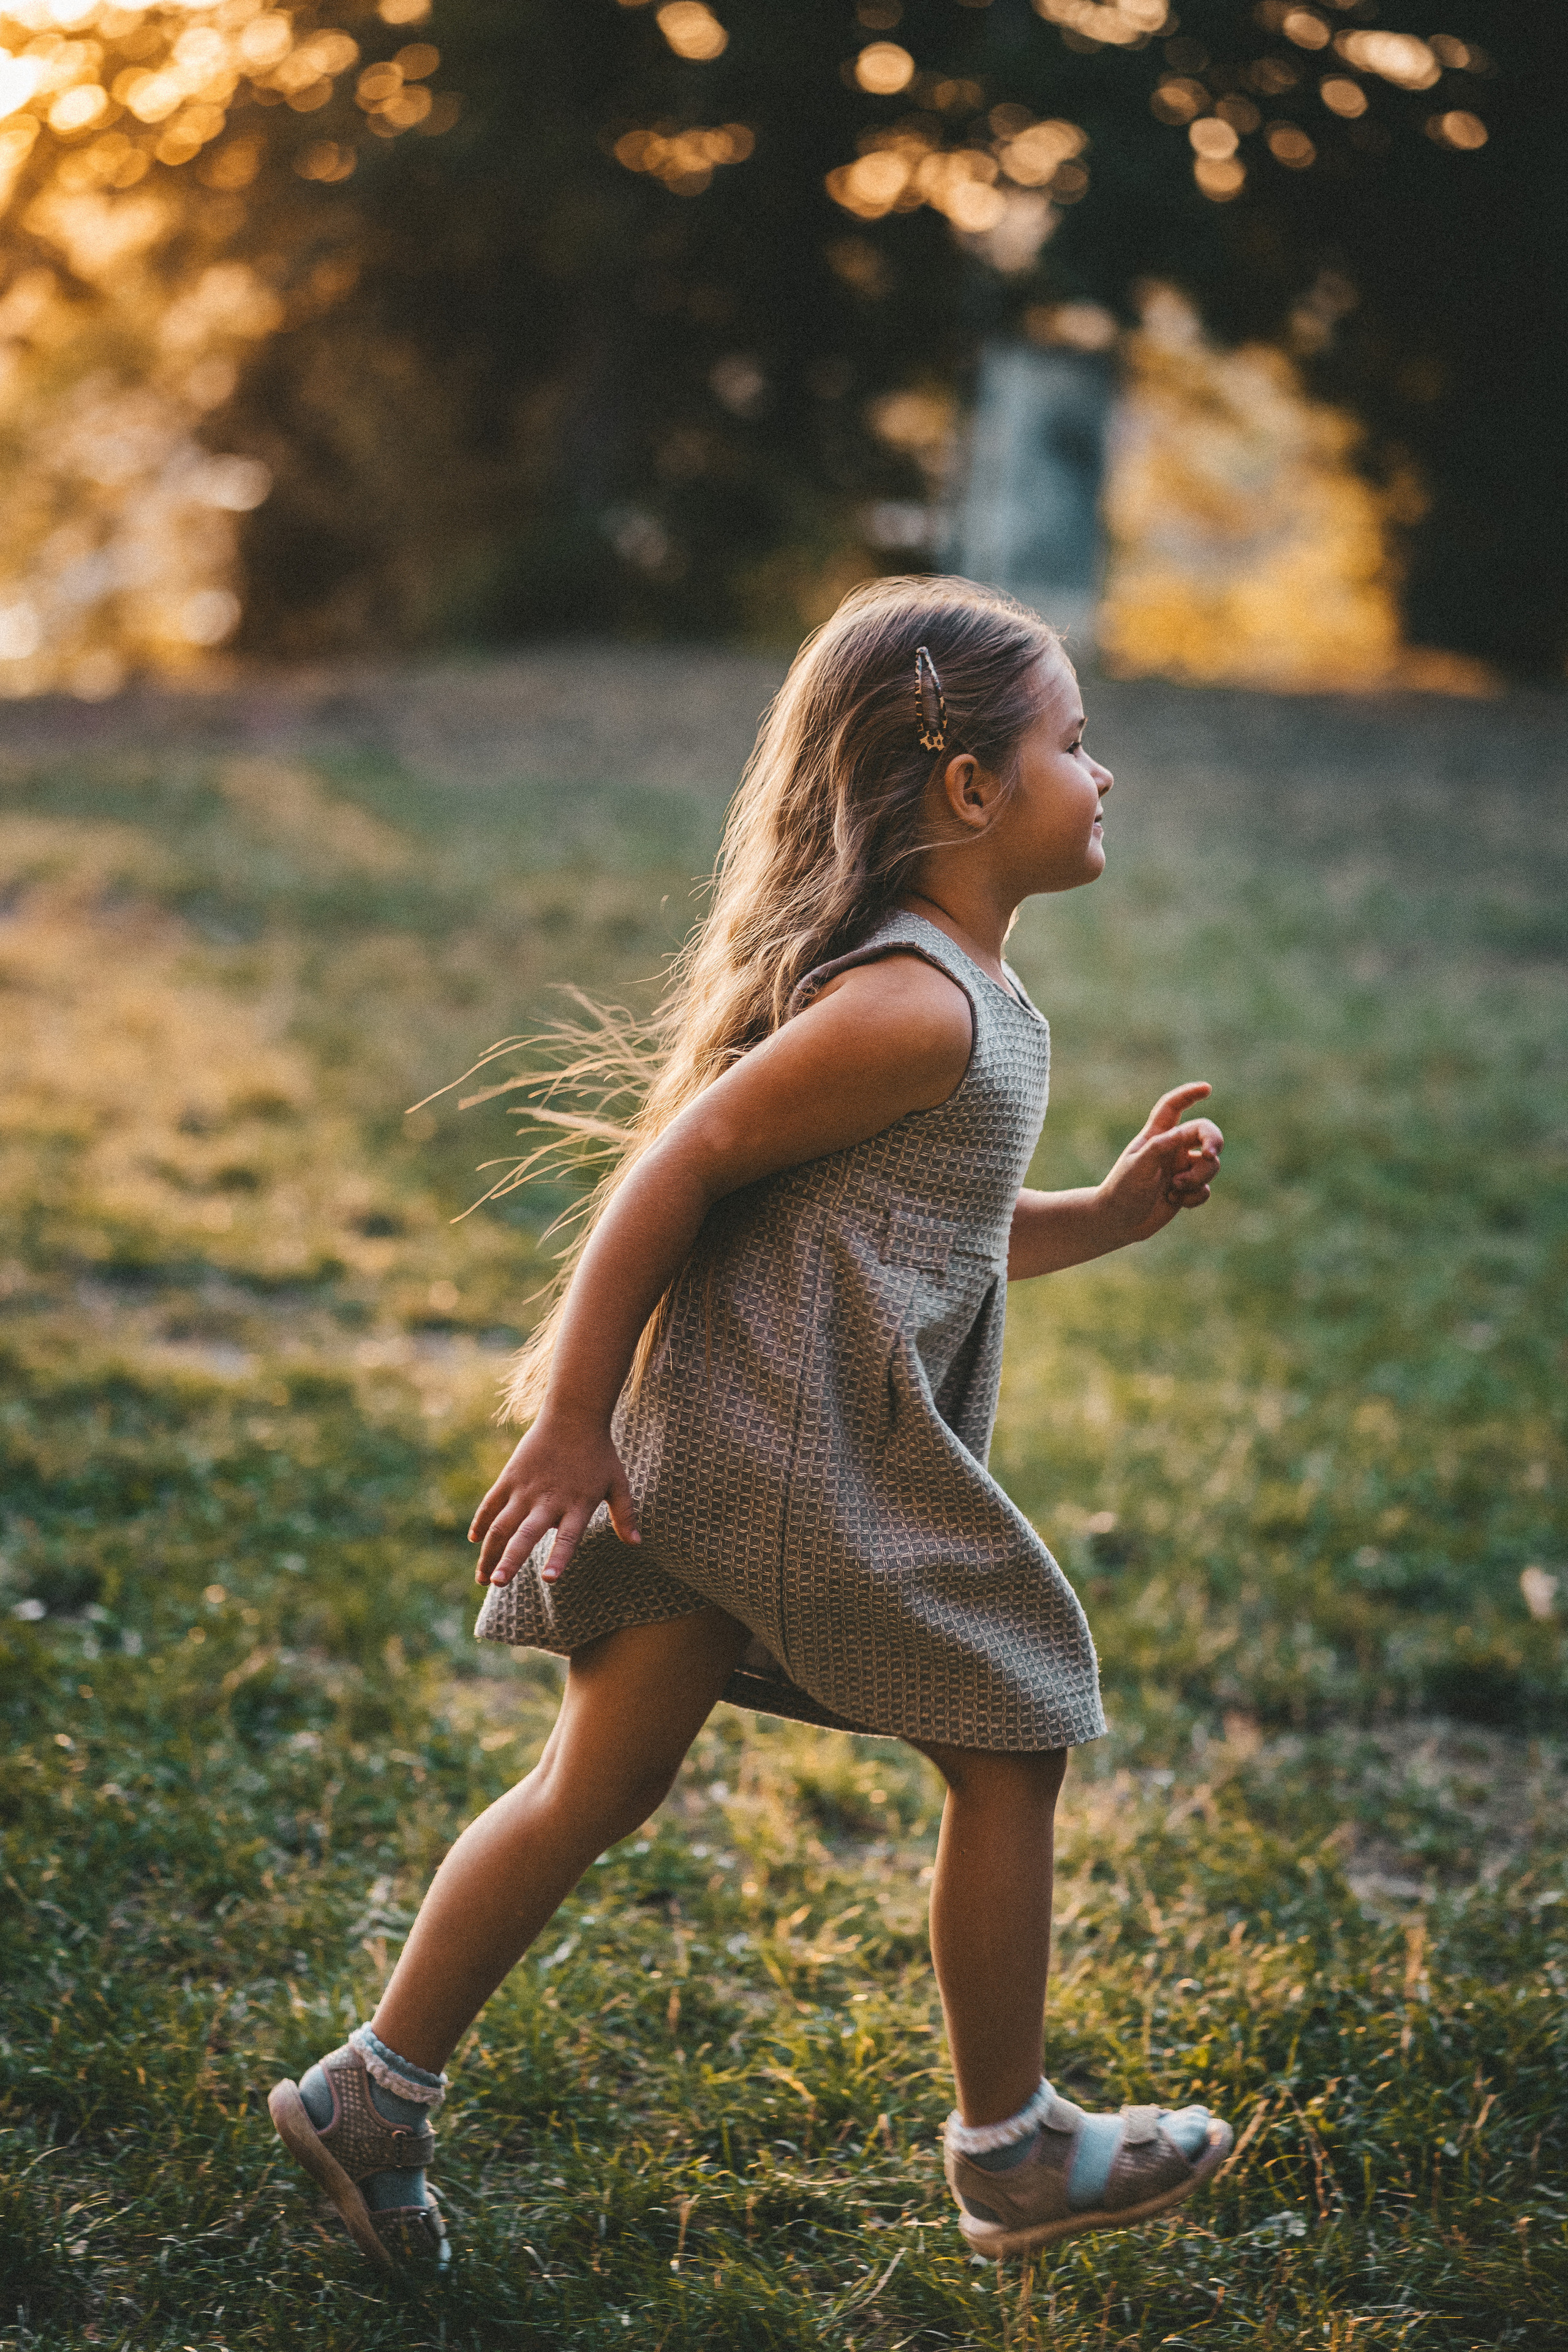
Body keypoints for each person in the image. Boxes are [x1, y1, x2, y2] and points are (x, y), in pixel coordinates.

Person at [268, 576, 1232, 2268]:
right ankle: (1009, 2151)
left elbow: (928, 1225)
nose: (1106, 775)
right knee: (1019, 1727)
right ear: (970, 791)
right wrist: (570, 1421)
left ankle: (371, 2092)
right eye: (1078, 744)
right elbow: (682, 1162)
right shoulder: (916, 1002)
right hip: (780, 1458)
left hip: (727, 1454)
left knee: (598, 1781)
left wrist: (1109, 1213)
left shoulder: (959, 1006)